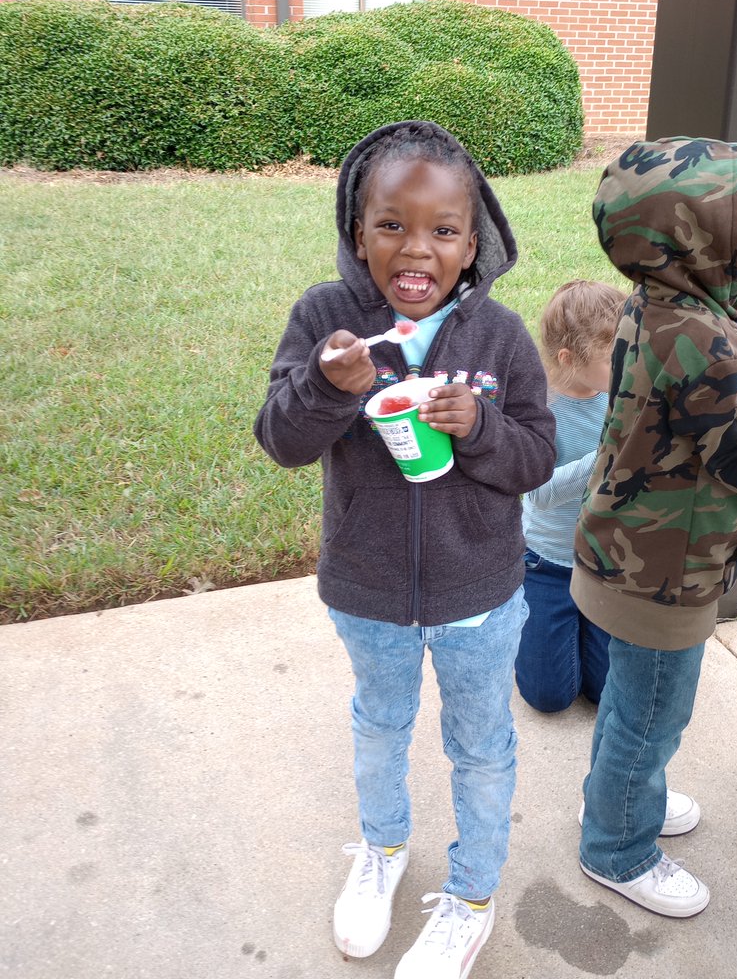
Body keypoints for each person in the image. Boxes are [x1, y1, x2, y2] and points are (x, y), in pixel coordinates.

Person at [253, 120, 555, 978]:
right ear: (358, 230)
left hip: (480, 597)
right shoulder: (328, 320)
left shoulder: (497, 338)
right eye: (391, 224)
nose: (415, 248)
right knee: (380, 727)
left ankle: (470, 896)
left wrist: (483, 427)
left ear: (473, 244)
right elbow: (281, 440)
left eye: (443, 230)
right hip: (369, 588)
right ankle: (382, 849)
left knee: (481, 745)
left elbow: (535, 453)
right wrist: (324, 387)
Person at [571, 136, 737, 918]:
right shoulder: (698, 338)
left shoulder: (661, 305)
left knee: (633, 709)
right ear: (698, 237)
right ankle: (616, 848)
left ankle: (624, 799)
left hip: (626, 555)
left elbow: (706, 399)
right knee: (650, 718)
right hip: (663, 576)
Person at [515, 279, 625, 713]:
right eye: (613, 358)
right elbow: (538, 494)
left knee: (603, 692)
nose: (628, 365)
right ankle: (523, 631)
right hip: (546, 563)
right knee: (550, 695)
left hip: (603, 562)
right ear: (568, 359)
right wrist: (605, 457)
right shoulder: (539, 408)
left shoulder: (620, 393)